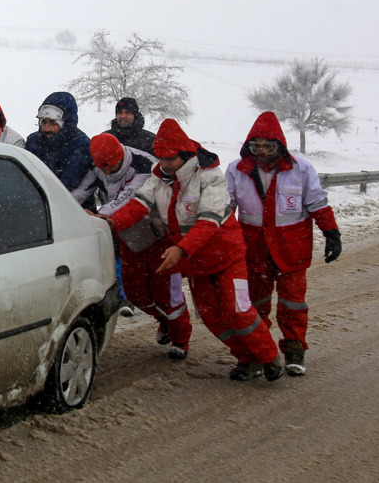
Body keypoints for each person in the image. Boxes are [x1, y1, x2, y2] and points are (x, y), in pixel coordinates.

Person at [108, 119, 284, 381]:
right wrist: (111, 221)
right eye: (160, 158)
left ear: (185, 154)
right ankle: (246, 358)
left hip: (226, 257)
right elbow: (139, 205)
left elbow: (208, 222)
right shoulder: (159, 177)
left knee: (238, 311)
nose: (163, 164)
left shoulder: (210, 176)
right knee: (212, 318)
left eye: (169, 159)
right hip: (197, 263)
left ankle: (269, 356)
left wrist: (181, 248)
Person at [225, 111, 341, 376]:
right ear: (248, 146)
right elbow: (224, 206)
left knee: (293, 303)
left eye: (268, 145)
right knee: (254, 304)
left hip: (292, 249)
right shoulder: (236, 170)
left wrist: (331, 232)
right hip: (254, 248)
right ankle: (259, 353)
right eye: (256, 146)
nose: (262, 151)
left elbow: (317, 203)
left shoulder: (301, 169)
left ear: (280, 145)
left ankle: (294, 348)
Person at [78, 134, 192, 359]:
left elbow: (130, 197)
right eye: (103, 168)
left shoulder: (144, 163)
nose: (108, 172)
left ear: (121, 156)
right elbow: (82, 190)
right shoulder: (97, 165)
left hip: (159, 237)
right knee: (135, 292)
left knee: (169, 295)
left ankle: (181, 339)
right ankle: (163, 320)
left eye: (112, 167)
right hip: (128, 237)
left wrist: (101, 216)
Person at [24, 92, 93, 190]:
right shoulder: (34, 141)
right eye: (44, 122)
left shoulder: (81, 145)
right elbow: (25, 177)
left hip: (73, 203)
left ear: (66, 123)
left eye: (53, 123)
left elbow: (67, 185)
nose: (47, 128)